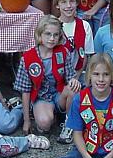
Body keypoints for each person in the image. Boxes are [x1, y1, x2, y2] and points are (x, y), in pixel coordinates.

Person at [13, 15, 80, 143]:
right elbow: (25, 91)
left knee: (73, 88)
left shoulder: (63, 52)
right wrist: (26, 120)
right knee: (44, 124)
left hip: (59, 93)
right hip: (41, 96)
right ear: (40, 35)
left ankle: (69, 123)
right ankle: (51, 115)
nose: (52, 38)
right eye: (48, 34)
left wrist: (73, 80)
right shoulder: (28, 57)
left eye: (55, 35)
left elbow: (70, 76)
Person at [53, 0, 94, 83]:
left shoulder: (85, 26)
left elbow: (85, 55)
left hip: (78, 74)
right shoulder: (53, 26)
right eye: (64, 2)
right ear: (57, 5)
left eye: (72, 1)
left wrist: (75, 78)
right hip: (56, 76)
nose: (68, 6)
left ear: (76, 3)